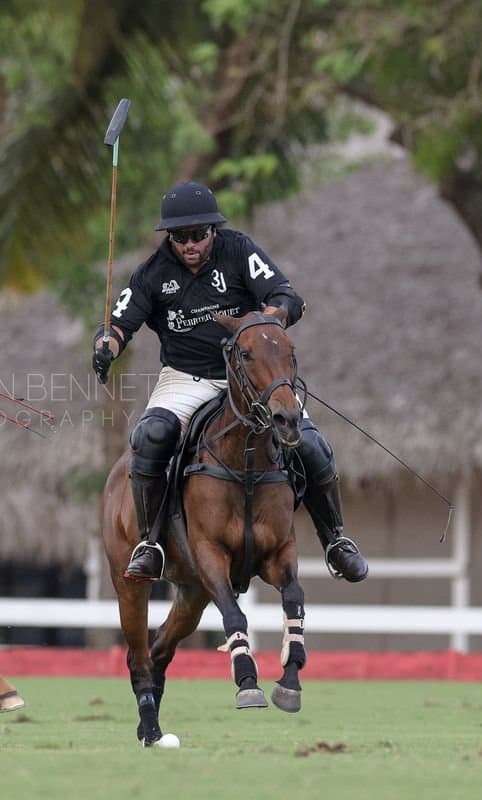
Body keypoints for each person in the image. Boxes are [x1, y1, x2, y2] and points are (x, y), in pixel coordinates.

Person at [92, 181, 368, 583]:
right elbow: (119, 324)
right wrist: (106, 345)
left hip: (252, 379)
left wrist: (267, 323)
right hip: (186, 379)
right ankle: (150, 543)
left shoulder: (239, 250)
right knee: (151, 436)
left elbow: (286, 296)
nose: (190, 244)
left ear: (213, 231)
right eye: (180, 236)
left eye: (199, 235)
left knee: (310, 443)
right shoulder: (152, 274)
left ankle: (336, 541)